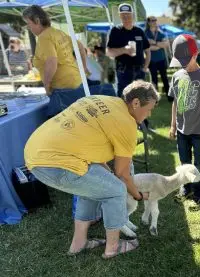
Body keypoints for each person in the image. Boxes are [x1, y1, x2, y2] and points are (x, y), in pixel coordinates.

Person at [24, 80, 159, 259]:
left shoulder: (102, 99)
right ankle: (112, 247)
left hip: (34, 152)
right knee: (116, 190)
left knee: (95, 187)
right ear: (135, 103)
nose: (149, 114)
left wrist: (108, 177)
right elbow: (123, 175)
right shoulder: (127, 124)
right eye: (149, 109)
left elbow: (98, 155)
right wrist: (138, 195)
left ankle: (78, 243)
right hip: (54, 162)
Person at [168, 35, 200, 208]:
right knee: (184, 161)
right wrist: (173, 125)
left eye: (185, 59)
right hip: (181, 130)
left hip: (199, 130)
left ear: (195, 54)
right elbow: (175, 102)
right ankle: (186, 187)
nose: (182, 64)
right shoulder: (177, 76)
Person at [22, 5, 88, 117]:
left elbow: (52, 61)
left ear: (37, 21)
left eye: (29, 24)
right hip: (76, 81)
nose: (29, 27)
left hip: (62, 88)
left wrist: (47, 84)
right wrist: (84, 67)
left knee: (64, 126)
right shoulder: (58, 32)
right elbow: (80, 46)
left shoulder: (44, 37)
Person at [107, 3, 151, 98]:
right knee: (124, 98)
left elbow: (147, 51)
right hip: (123, 71)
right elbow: (109, 52)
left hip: (139, 70)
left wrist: (145, 67)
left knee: (140, 97)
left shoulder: (139, 31)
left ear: (132, 15)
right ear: (119, 16)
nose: (126, 16)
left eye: (128, 14)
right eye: (123, 14)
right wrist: (124, 50)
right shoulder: (115, 31)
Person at [144, 16, 171, 101]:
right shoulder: (145, 33)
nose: (155, 22)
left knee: (165, 78)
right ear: (148, 22)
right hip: (151, 60)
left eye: (155, 20)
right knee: (154, 79)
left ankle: (169, 96)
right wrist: (159, 45)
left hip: (161, 59)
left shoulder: (160, 32)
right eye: (152, 20)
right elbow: (145, 47)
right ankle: (154, 99)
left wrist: (154, 43)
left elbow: (166, 45)